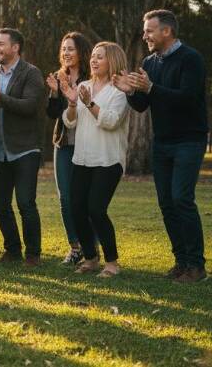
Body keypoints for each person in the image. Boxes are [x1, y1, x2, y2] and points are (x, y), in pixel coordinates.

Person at [113, 9, 209, 283]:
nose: (145, 35)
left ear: (166, 31)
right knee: (167, 203)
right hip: (163, 143)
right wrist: (130, 91)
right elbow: (143, 106)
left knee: (181, 199)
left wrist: (151, 88)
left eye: (149, 31)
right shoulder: (150, 62)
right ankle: (181, 262)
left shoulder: (191, 59)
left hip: (189, 139)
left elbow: (187, 99)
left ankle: (197, 265)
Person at [61, 42, 129, 278]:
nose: (94, 60)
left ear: (113, 61)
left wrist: (89, 103)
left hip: (108, 160)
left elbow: (111, 121)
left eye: (100, 57)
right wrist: (72, 103)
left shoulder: (120, 90)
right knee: (76, 209)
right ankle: (90, 258)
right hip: (82, 158)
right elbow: (70, 122)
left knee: (96, 210)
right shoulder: (83, 86)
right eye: (93, 57)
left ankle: (112, 263)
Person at [0, 28, 46, 266]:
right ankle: (12, 250)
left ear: (15, 47)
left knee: (25, 203)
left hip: (25, 149)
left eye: (1, 44)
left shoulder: (31, 73)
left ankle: (33, 254)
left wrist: (0, 97)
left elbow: (30, 106)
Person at [45, 31, 92, 265]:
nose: (66, 53)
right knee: (65, 197)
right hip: (64, 143)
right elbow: (52, 114)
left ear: (81, 52)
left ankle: (90, 245)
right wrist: (55, 92)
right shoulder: (58, 76)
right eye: (63, 49)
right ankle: (75, 247)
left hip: (88, 144)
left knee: (84, 197)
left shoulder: (92, 77)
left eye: (71, 48)